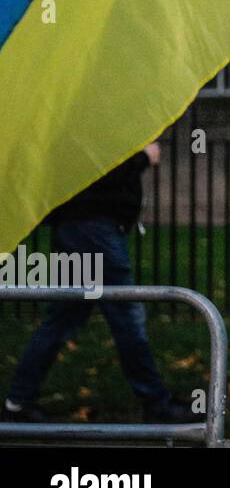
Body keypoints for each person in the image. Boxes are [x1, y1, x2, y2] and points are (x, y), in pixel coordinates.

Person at [4, 144, 192, 425]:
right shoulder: (94, 125)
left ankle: (17, 402)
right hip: (93, 230)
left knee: (62, 319)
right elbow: (101, 173)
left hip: (80, 227)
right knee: (126, 316)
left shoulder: (76, 121)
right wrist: (142, 158)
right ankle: (157, 403)